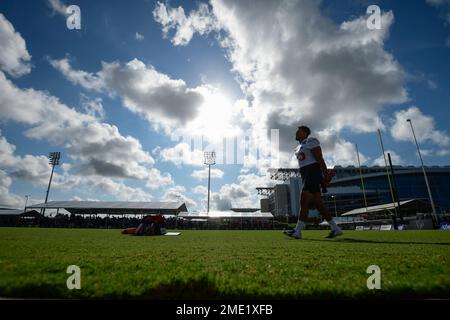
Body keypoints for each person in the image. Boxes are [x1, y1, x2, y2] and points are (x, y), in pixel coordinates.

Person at [285, 125, 343, 239]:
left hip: (312, 173)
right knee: (319, 205)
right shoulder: (297, 148)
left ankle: (297, 231)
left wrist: (325, 174)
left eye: (299, 131)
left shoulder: (311, 141)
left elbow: (319, 158)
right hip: (305, 174)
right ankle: (336, 229)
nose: (296, 133)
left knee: (303, 201)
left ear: (305, 133)